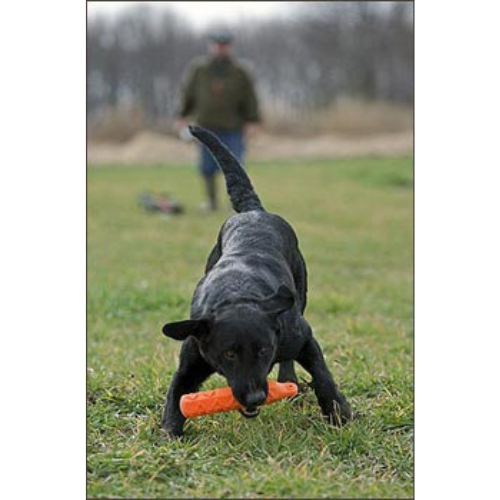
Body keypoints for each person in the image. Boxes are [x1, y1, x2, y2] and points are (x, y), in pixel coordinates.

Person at [175, 31, 261, 211]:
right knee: (206, 167)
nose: (221, 48)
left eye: (225, 45)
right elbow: (188, 94)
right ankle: (211, 201)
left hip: (233, 127)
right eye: (217, 45)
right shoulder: (199, 69)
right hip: (206, 126)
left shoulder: (240, 71)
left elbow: (250, 98)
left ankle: (237, 204)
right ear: (211, 46)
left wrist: (252, 121)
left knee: (235, 166)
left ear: (230, 47)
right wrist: (182, 116)